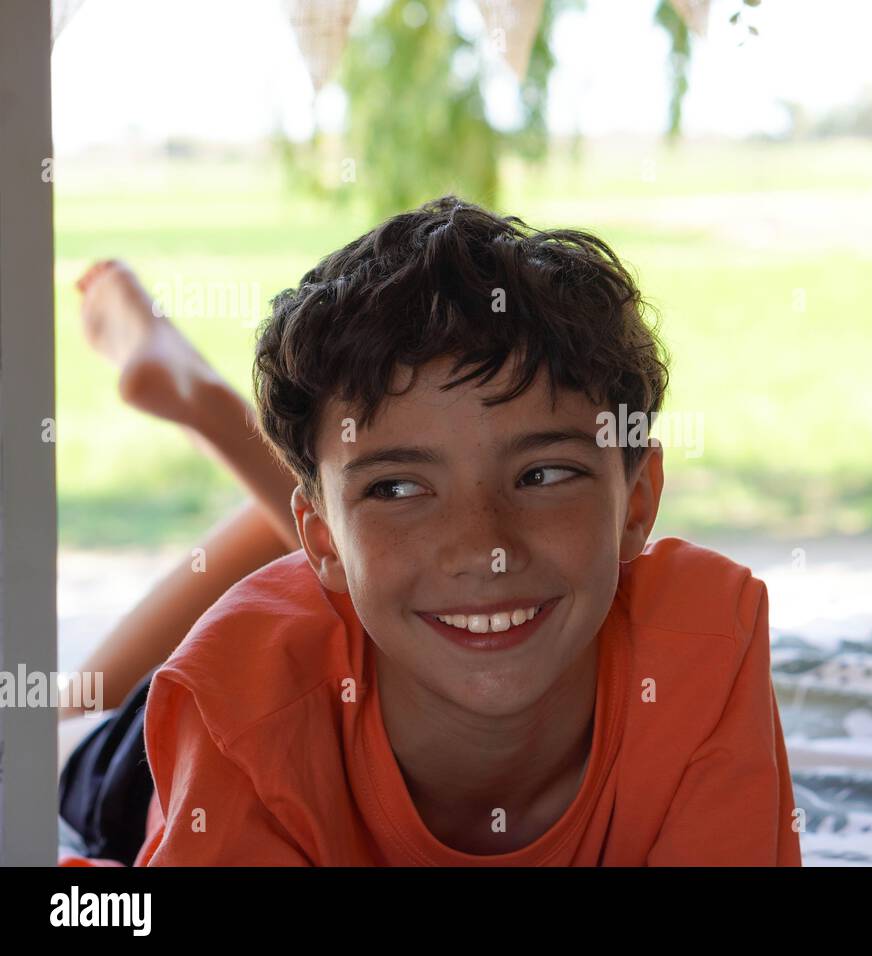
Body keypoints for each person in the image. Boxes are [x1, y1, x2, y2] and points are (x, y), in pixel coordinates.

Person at [60, 196, 802, 866]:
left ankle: (237, 420)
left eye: (543, 475)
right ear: (315, 540)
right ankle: (211, 405)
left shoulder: (705, 638)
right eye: (398, 485)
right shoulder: (241, 710)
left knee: (381, 544)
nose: (486, 547)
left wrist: (388, 500)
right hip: (154, 758)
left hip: (337, 616)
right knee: (57, 730)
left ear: (637, 502)